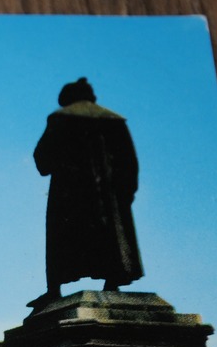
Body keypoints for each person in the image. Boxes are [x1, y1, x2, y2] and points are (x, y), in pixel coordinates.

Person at [33, 77, 142, 305]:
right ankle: (112, 281)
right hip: (109, 197)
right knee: (110, 235)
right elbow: (129, 162)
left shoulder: (61, 118)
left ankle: (54, 289)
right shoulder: (114, 120)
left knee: (61, 240)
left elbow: (42, 159)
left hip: (69, 196)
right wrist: (125, 193)